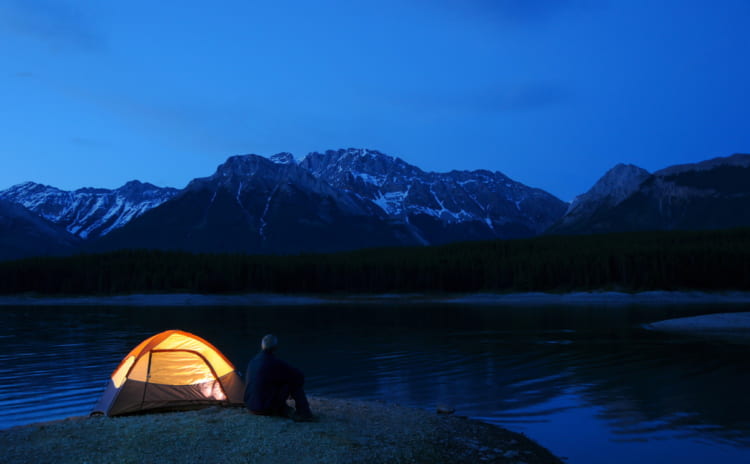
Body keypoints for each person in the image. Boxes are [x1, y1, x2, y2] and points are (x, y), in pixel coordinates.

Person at [244, 334, 315, 422]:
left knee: (276, 381)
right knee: (293, 381)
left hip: (250, 406)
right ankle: (304, 413)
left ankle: (282, 408)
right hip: (264, 409)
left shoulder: (253, 361)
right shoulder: (275, 363)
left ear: (262, 347)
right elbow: (299, 376)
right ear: (275, 348)